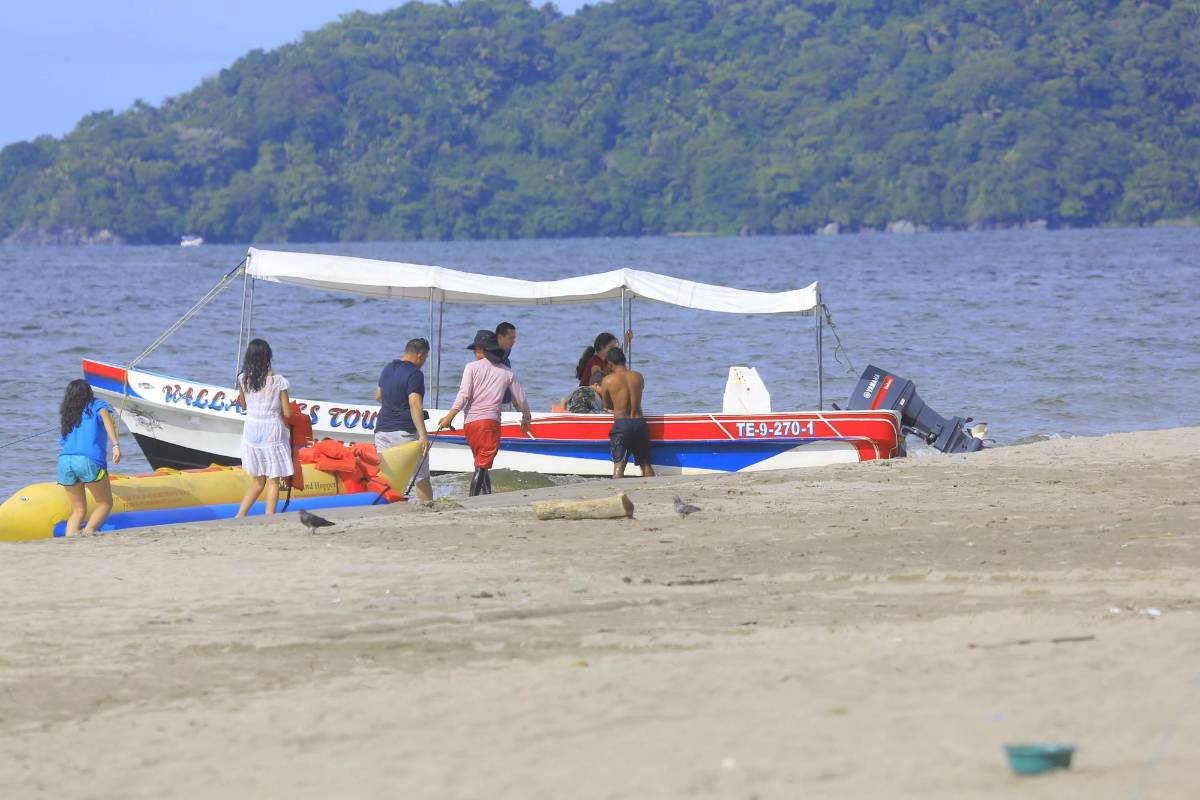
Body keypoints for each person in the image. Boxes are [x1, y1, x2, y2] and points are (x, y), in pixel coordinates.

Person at [437, 330, 532, 496]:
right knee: (482, 464)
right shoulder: (507, 372)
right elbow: (521, 399)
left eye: (476, 350)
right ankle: (473, 499)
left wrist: (449, 417)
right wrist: (526, 417)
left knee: (481, 462)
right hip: (489, 424)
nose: (474, 353)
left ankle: (486, 494)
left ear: (483, 349)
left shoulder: (471, 367)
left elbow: (463, 395)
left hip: (470, 424)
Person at [234, 338, 293, 517]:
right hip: (271, 431)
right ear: (268, 356)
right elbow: (288, 413)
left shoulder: (242, 379)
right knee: (274, 480)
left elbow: (243, 406)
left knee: (259, 480)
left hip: (251, 431)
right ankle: (269, 516)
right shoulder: (278, 381)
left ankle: (240, 515)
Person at [56, 378, 121, 536]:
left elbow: (62, 442)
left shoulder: (68, 415)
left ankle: (70, 540)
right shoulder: (98, 405)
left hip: (64, 461)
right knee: (105, 503)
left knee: (78, 510)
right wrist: (116, 445)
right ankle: (89, 531)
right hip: (87, 460)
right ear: (88, 393)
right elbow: (108, 423)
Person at [375, 337, 432, 502]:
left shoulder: (387, 369)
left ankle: (384, 507)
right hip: (405, 434)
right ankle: (426, 509)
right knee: (421, 477)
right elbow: (414, 403)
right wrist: (423, 435)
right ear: (420, 356)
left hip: (382, 431)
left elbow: (378, 395)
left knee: (387, 477)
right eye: (425, 358)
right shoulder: (415, 374)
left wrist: (394, 406)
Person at [598, 347, 655, 479]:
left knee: (619, 465)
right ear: (624, 360)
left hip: (622, 425)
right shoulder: (638, 377)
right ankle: (652, 491)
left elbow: (606, 406)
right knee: (646, 464)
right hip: (639, 423)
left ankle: (619, 495)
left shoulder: (608, 380)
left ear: (610, 364)